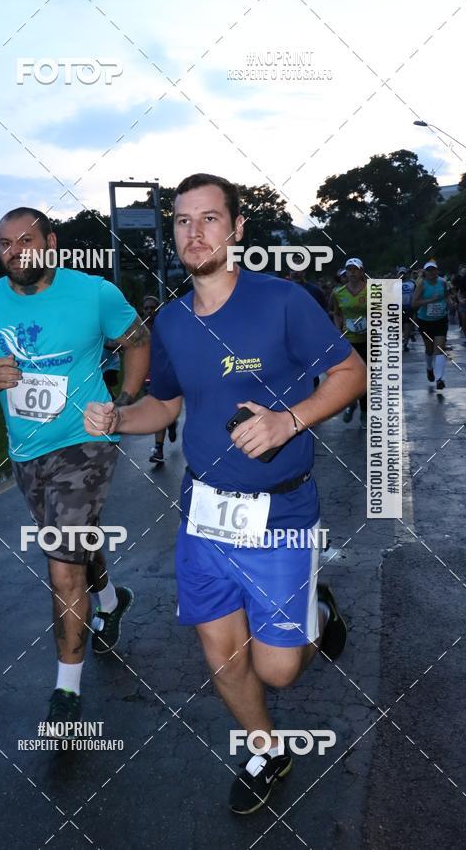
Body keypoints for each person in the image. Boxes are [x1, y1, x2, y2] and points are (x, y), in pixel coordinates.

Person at [84, 173, 366, 814]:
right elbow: (167, 402)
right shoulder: (174, 320)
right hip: (204, 512)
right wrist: (120, 418)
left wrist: (288, 419)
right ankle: (266, 750)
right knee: (220, 650)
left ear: (237, 229)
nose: (195, 232)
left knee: (279, 669)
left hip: (282, 510)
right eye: (183, 221)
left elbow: (352, 372)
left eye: (210, 219)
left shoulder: (282, 302)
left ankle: (317, 613)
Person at [0, 207, 150, 726]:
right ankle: (113, 600)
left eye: (25, 240)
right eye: (5, 243)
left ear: (50, 242)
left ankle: (66, 691)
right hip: (27, 452)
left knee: (60, 559)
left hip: (85, 442)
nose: (15, 252)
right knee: (73, 539)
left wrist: (122, 402)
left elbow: (138, 341)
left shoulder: (93, 293)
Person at [330, 259, 368, 428]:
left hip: (369, 340)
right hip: (349, 341)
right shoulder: (338, 292)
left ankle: (365, 413)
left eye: (355, 270)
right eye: (349, 270)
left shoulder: (372, 290)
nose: (352, 273)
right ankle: (352, 404)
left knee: (367, 378)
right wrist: (338, 330)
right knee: (353, 377)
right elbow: (336, 313)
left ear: (362, 272)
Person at [142, 293, 178, 463]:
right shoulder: (139, 331)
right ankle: (168, 429)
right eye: (146, 308)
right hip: (148, 378)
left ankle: (159, 447)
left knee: (161, 412)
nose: (149, 311)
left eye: (153, 307)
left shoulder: (166, 327)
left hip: (166, 376)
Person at [412, 260, 449, 389]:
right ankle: (429, 368)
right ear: (425, 272)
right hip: (425, 321)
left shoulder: (443, 282)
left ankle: (440, 379)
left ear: (437, 271)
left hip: (441, 320)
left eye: (433, 270)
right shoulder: (422, 285)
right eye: (429, 270)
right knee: (429, 349)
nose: (432, 272)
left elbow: (446, 296)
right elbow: (414, 303)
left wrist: (450, 302)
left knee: (439, 348)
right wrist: (430, 300)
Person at [398, 267, 416, 351]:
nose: (402, 275)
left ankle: (405, 343)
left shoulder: (412, 283)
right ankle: (402, 340)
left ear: (406, 274)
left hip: (408, 307)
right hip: (398, 308)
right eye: (400, 273)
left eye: (403, 273)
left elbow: (416, 294)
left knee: (407, 325)